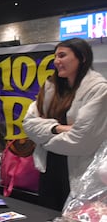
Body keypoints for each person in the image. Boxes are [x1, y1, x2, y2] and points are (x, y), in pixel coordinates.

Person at [23, 38, 107, 211]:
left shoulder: (99, 89)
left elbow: (81, 140)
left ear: (82, 58)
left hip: (81, 170)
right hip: (49, 168)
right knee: (47, 213)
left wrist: (43, 140)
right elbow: (29, 124)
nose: (56, 61)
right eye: (55, 57)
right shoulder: (50, 88)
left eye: (62, 55)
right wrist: (57, 128)